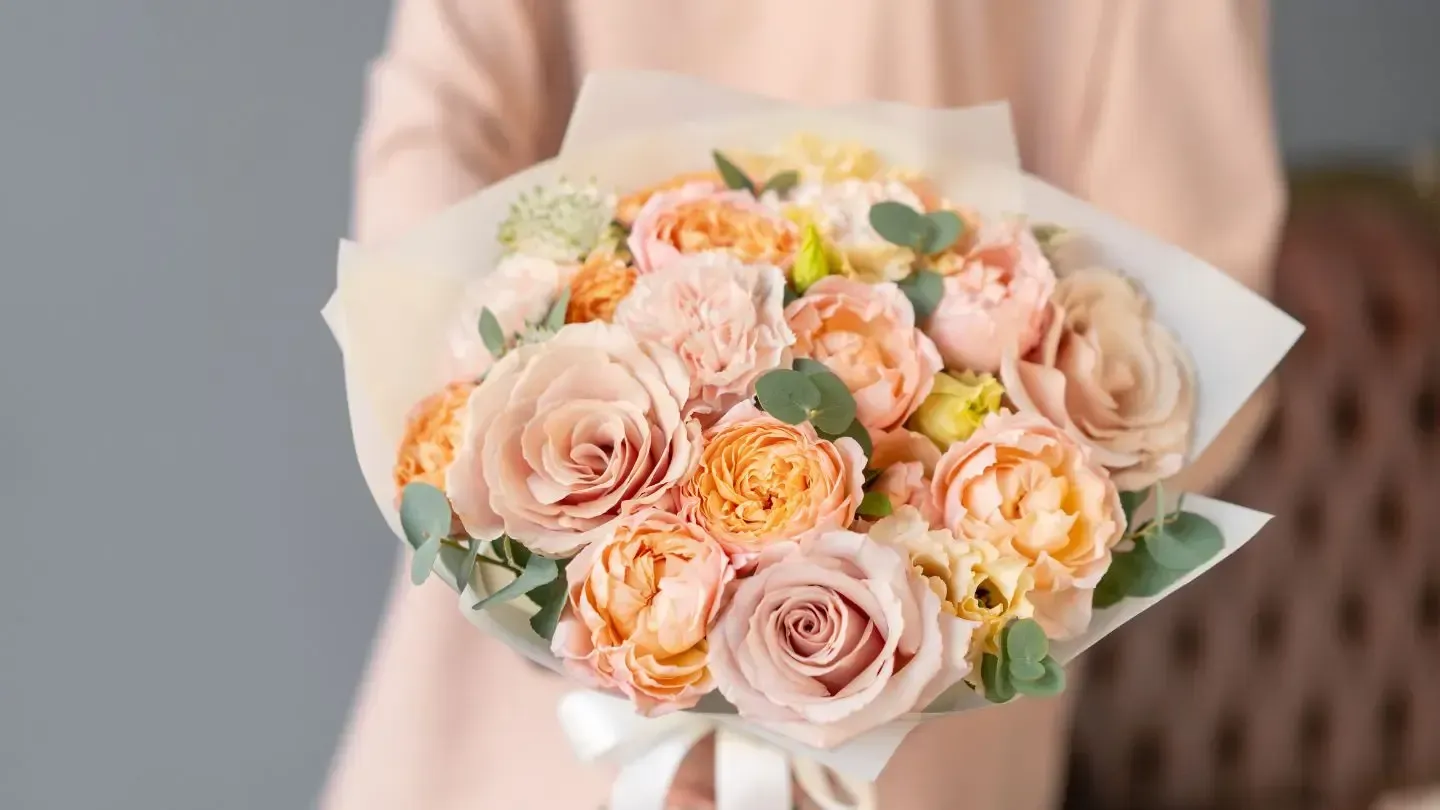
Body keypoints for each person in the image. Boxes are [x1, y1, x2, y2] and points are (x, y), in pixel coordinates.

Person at [322, 2, 1284, 807]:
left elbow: (1188, 285)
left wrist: (951, 535)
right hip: (534, 662)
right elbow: (441, 118)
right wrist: (505, 445)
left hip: (915, 671)